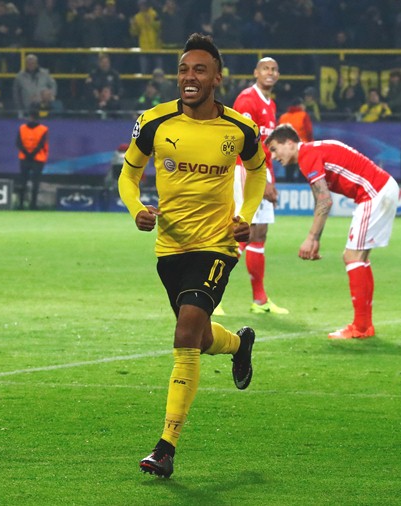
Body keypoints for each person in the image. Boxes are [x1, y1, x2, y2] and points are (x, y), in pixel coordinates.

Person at [118, 33, 266, 479]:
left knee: (184, 335)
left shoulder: (239, 128)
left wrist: (246, 215)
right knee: (198, 339)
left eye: (199, 70)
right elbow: (129, 175)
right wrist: (137, 209)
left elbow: (257, 173)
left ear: (217, 78)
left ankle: (165, 447)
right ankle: (239, 343)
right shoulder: (154, 122)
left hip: (217, 246)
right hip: (170, 249)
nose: (189, 77)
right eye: (184, 69)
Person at [265, 124, 398, 340]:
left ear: (289, 143)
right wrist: (316, 239)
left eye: (274, 148)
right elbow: (322, 199)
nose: (273, 156)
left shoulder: (307, 155)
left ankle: (360, 327)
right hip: (381, 189)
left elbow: (324, 200)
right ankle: (364, 326)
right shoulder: (314, 151)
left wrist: (311, 238)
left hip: (373, 193)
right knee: (360, 258)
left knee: (352, 256)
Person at [221, 57, 288, 315]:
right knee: (238, 233)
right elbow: (244, 143)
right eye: (265, 69)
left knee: (258, 235)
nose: (270, 73)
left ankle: (259, 300)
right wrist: (259, 180)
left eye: (274, 69)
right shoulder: (247, 100)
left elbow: (267, 147)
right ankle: (210, 297)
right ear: (256, 73)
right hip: (245, 172)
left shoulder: (270, 104)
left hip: (261, 173)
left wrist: (269, 178)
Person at [16, 109, 48, 210]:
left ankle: (21, 204)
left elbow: (18, 143)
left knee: (23, 181)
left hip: (26, 158)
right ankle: (32, 205)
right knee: (35, 182)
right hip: (37, 158)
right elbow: (41, 144)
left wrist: (27, 154)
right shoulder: (43, 129)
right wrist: (32, 154)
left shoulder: (22, 128)